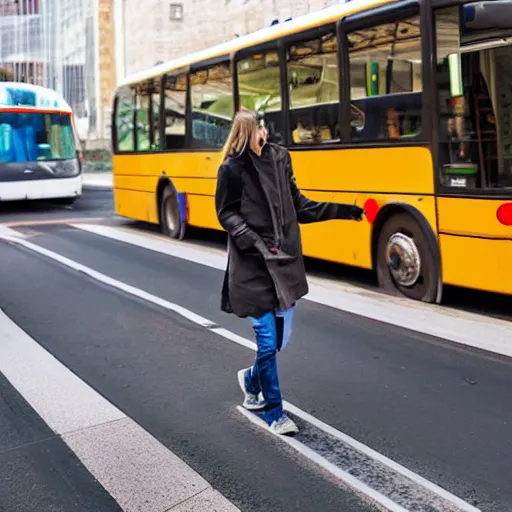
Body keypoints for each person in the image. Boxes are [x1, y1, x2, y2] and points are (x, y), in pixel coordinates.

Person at [215, 108, 364, 435]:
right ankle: (275, 414)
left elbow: (302, 207)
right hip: (252, 267)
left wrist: (345, 210)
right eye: (260, 128)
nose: (265, 133)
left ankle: (250, 379)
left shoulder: (279, 160)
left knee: (280, 342)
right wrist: (253, 241)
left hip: (284, 266)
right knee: (267, 342)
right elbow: (225, 213)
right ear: (247, 132)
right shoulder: (232, 169)